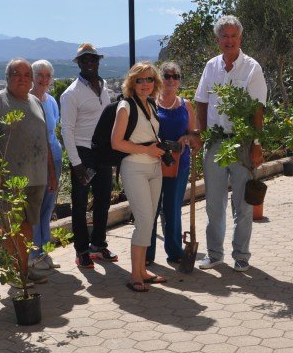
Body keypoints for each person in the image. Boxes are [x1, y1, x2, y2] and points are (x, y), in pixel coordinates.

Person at [194, 15, 267, 272]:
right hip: (214, 142)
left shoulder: (251, 68)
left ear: (240, 38)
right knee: (214, 205)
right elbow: (201, 101)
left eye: (233, 35)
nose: (229, 40)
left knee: (243, 205)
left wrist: (256, 143)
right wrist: (202, 134)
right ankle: (214, 254)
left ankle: (241, 255)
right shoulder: (211, 67)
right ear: (218, 40)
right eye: (224, 36)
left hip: (243, 143)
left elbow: (258, 109)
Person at [0, 59, 58, 287]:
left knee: (28, 227)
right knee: (10, 228)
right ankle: (16, 274)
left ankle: (24, 269)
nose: (23, 78)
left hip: (36, 178)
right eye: (17, 74)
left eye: (27, 75)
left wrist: (51, 172)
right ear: (7, 77)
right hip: (9, 181)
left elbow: (45, 139)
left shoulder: (36, 101)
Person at [60, 43, 117, 269]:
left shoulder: (104, 88)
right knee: (80, 204)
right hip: (83, 152)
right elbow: (67, 130)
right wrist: (77, 163)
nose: (89, 63)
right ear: (79, 63)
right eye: (85, 60)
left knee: (104, 200)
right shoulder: (71, 94)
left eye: (93, 59)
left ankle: (98, 244)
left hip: (102, 152)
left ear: (98, 61)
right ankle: (81, 250)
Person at [112, 63, 166, 291]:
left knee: (149, 220)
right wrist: (148, 150)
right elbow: (116, 142)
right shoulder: (125, 106)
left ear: (155, 83)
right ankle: (135, 274)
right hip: (134, 167)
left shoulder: (151, 105)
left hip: (155, 168)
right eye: (140, 80)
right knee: (143, 220)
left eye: (150, 79)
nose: (145, 84)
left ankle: (143, 270)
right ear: (132, 83)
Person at [147, 61, 200, 265]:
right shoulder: (151, 103)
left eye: (175, 76)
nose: (171, 79)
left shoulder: (186, 105)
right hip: (153, 161)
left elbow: (193, 134)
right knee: (150, 208)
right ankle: (147, 253)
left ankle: (175, 250)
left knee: (173, 207)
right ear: (161, 78)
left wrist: (187, 140)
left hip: (178, 163)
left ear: (179, 80)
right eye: (167, 76)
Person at [29, 59, 64, 272]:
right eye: (39, 75)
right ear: (33, 77)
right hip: (36, 160)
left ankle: (44, 251)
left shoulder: (51, 101)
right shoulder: (27, 100)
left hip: (55, 157)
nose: (43, 79)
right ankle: (34, 254)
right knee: (35, 206)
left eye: (47, 76)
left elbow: (54, 127)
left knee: (48, 206)